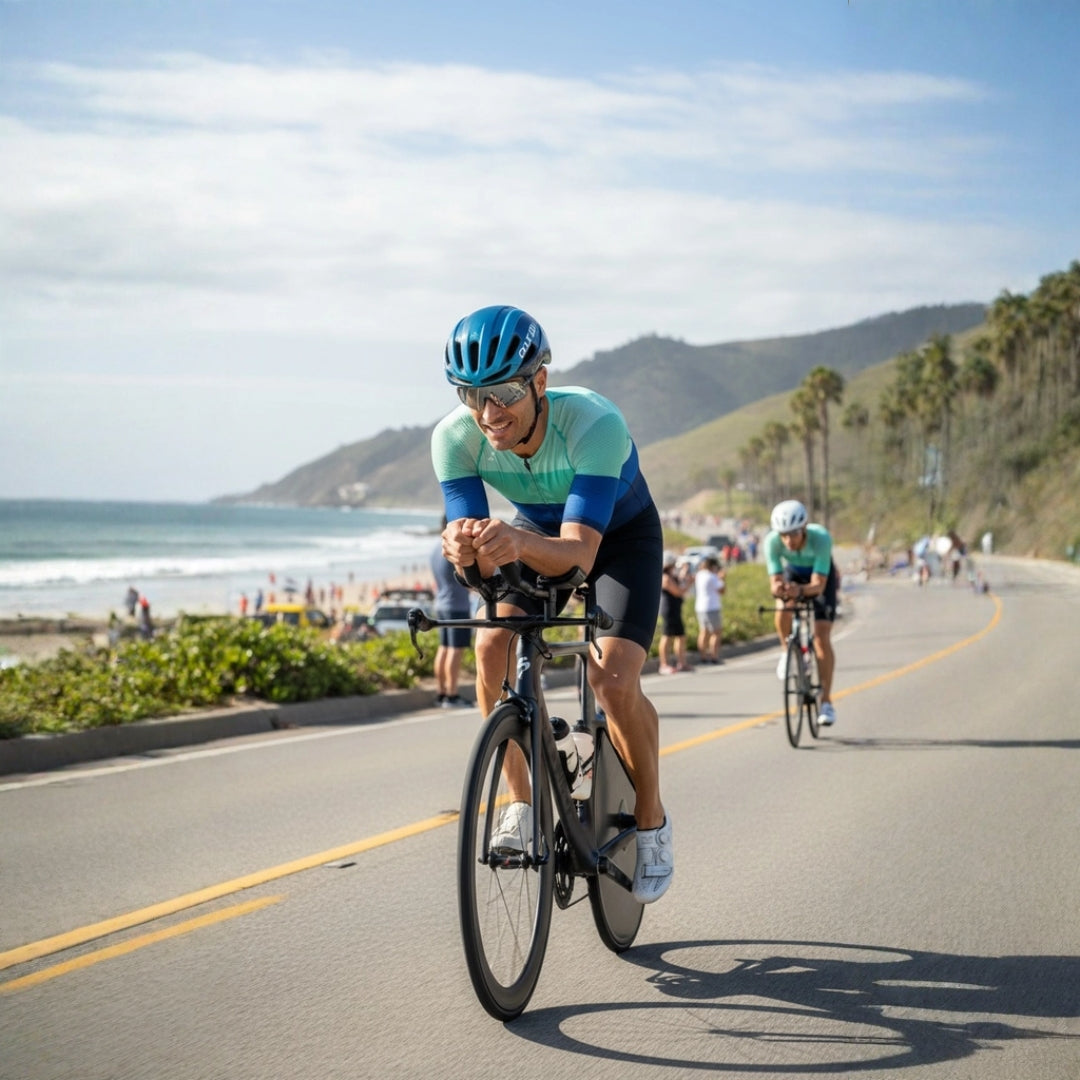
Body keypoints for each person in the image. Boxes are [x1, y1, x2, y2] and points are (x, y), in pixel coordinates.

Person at [432, 305, 673, 904]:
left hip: (616, 538)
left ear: (540, 380)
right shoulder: (453, 438)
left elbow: (580, 556)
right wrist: (463, 549)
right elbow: (475, 571)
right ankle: (520, 802)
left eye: (505, 392)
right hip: (536, 533)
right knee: (490, 645)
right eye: (472, 394)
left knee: (613, 679)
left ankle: (651, 817)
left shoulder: (595, 423)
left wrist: (511, 542)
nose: (489, 414)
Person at [765, 499, 840, 726]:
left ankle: (826, 702)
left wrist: (800, 590)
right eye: (783, 535)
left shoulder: (821, 539)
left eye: (794, 534)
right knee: (782, 607)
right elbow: (775, 582)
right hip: (794, 573)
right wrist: (781, 589)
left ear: (804, 528)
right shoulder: (771, 542)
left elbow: (818, 584)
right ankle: (787, 650)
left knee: (821, 638)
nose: (788, 540)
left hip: (820, 577)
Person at [429, 518, 473, 708]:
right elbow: (468, 578)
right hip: (457, 605)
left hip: (441, 602)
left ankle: (441, 692)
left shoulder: (435, 550)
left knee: (444, 648)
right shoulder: (453, 550)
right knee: (455, 650)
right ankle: (452, 695)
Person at [658, 552, 694, 673]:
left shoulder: (672, 576)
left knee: (681, 636)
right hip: (669, 610)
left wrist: (685, 570)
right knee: (667, 637)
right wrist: (689, 584)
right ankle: (664, 664)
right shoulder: (665, 577)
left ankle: (681, 663)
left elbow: (680, 579)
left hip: (675, 610)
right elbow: (678, 592)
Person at [693, 555, 725, 664]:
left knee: (703, 632)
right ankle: (714, 656)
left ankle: (703, 656)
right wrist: (722, 578)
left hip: (700, 607)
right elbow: (722, 590)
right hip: (712, 607)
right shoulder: (712, 576)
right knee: (716, 632)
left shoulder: (699, 575)